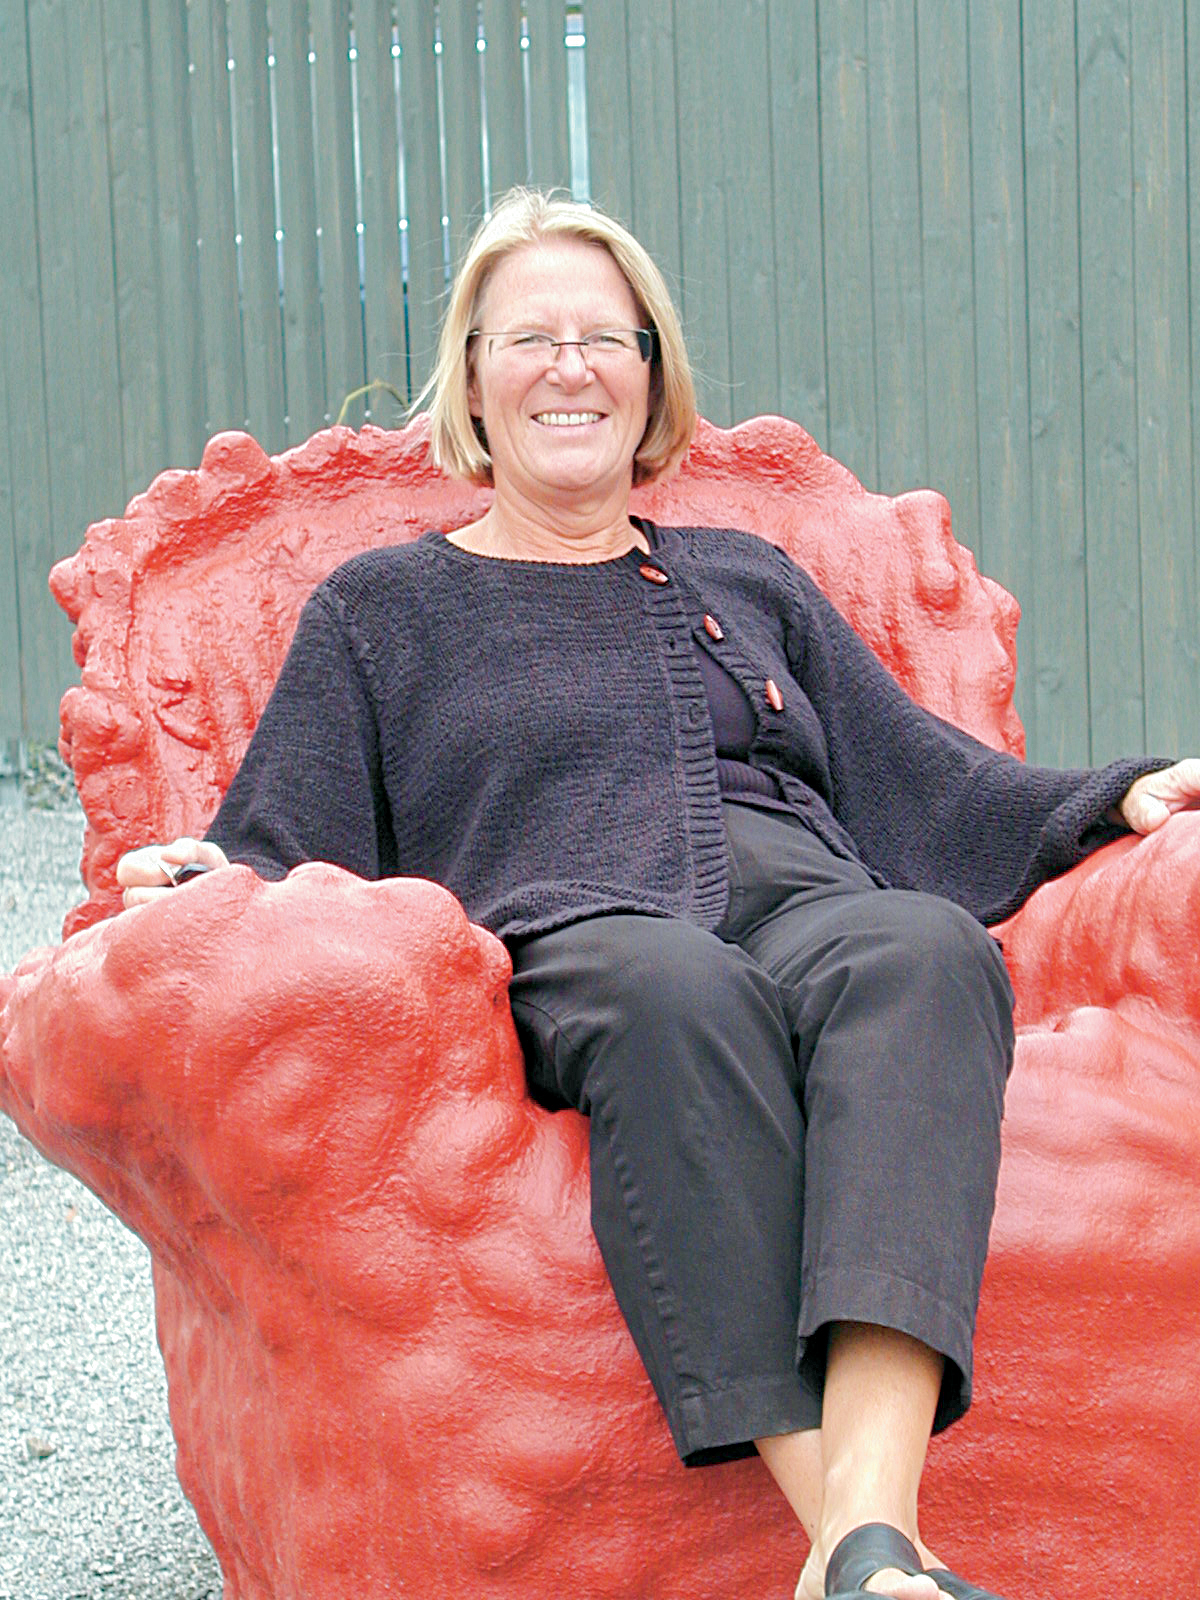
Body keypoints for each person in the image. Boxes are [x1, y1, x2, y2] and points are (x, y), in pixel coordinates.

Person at [117, 188, 1200, 1600]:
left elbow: (917, 775)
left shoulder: (747, 577)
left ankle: (863, 1549)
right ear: (475, 385)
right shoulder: (382, 610)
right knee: (680, 996)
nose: (571, 365)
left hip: (811, 898)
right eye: (529, 340)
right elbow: (287, 834)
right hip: (579, 928)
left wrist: (1112, 795)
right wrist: (203, 876)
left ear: (649, 377)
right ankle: (870, 1550)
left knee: (926, 950)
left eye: (604, 339)